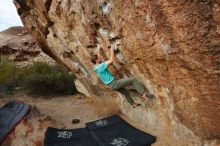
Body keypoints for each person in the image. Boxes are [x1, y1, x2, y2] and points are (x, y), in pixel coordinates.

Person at [91, 43, 153, 108]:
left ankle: (133, 104)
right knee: (133, 80)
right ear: (96, 60)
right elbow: (111, 60)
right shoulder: (100, 66)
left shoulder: (95, 67)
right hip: (114, 83)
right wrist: (112, 49)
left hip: (111, 86)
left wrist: (98, 48)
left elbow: (97, 57)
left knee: (126, 93)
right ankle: (143, 93)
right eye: (99, 58)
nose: (100, 57)